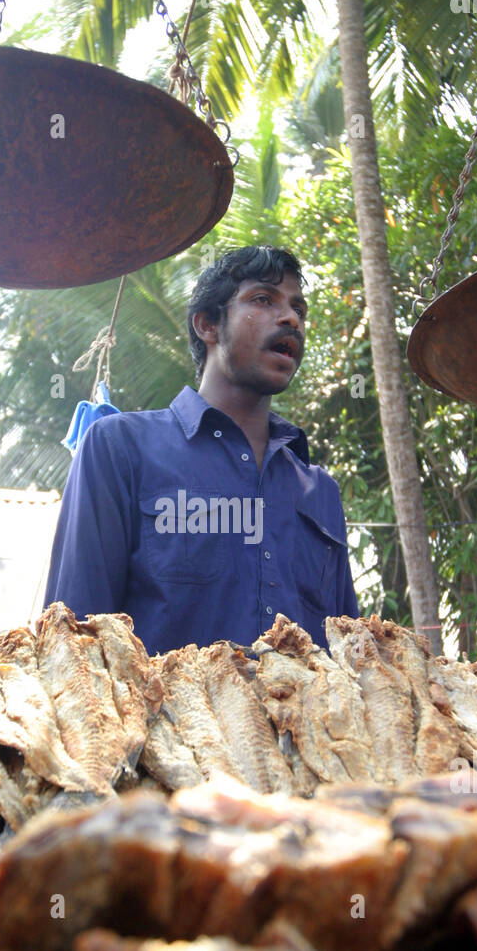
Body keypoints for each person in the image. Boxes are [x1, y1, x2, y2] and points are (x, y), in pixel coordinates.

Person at [43, 246, 359, 654]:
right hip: (161, 717)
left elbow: (348, 650)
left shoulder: (320, 491)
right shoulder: (119, 447)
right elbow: (73, 639)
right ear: (208, 324)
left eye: (299, 308)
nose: (291, 319)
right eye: (263, 300)